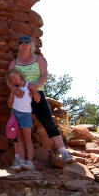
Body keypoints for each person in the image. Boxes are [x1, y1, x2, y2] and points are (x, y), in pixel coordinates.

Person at [7, 35, 74, 166]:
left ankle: (64, 152)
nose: (24, 45)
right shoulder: (14, 62)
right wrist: (15, 89)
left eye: (27, 42)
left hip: (36, 94)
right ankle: (18, 158)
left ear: (31, 45)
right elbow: (8, 79)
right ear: (18, 46)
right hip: (20, 96)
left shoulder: (39, 59)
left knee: (48, 121)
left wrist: (35, 86)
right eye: (21, 43)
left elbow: (44, 76)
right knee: (15, 125)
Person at [7, 68, 41, 171]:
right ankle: (21, 161)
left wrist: (34, 91)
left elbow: (38, 100)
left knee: (27, 139)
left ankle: (30, 162)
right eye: (11, 80)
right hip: (15, 113)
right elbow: (9, 105)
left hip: (26, 114)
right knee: (20, 139)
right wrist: (12, 93)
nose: (13, 81)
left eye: (14, 78)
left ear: (19, 74)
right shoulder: (15, 89)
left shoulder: (29, 85)